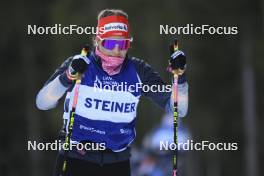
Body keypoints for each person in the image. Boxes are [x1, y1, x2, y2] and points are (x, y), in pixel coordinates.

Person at [36, 9, 189, 176]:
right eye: (109, 43)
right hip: (76, 160)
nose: (117, 50)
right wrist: (68, 76)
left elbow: (178, 109)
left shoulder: (139, 71)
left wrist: (180, 77)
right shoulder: (80, 65)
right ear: (96, 40)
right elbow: (43, 102)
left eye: (123, 44)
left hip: (117, 163)